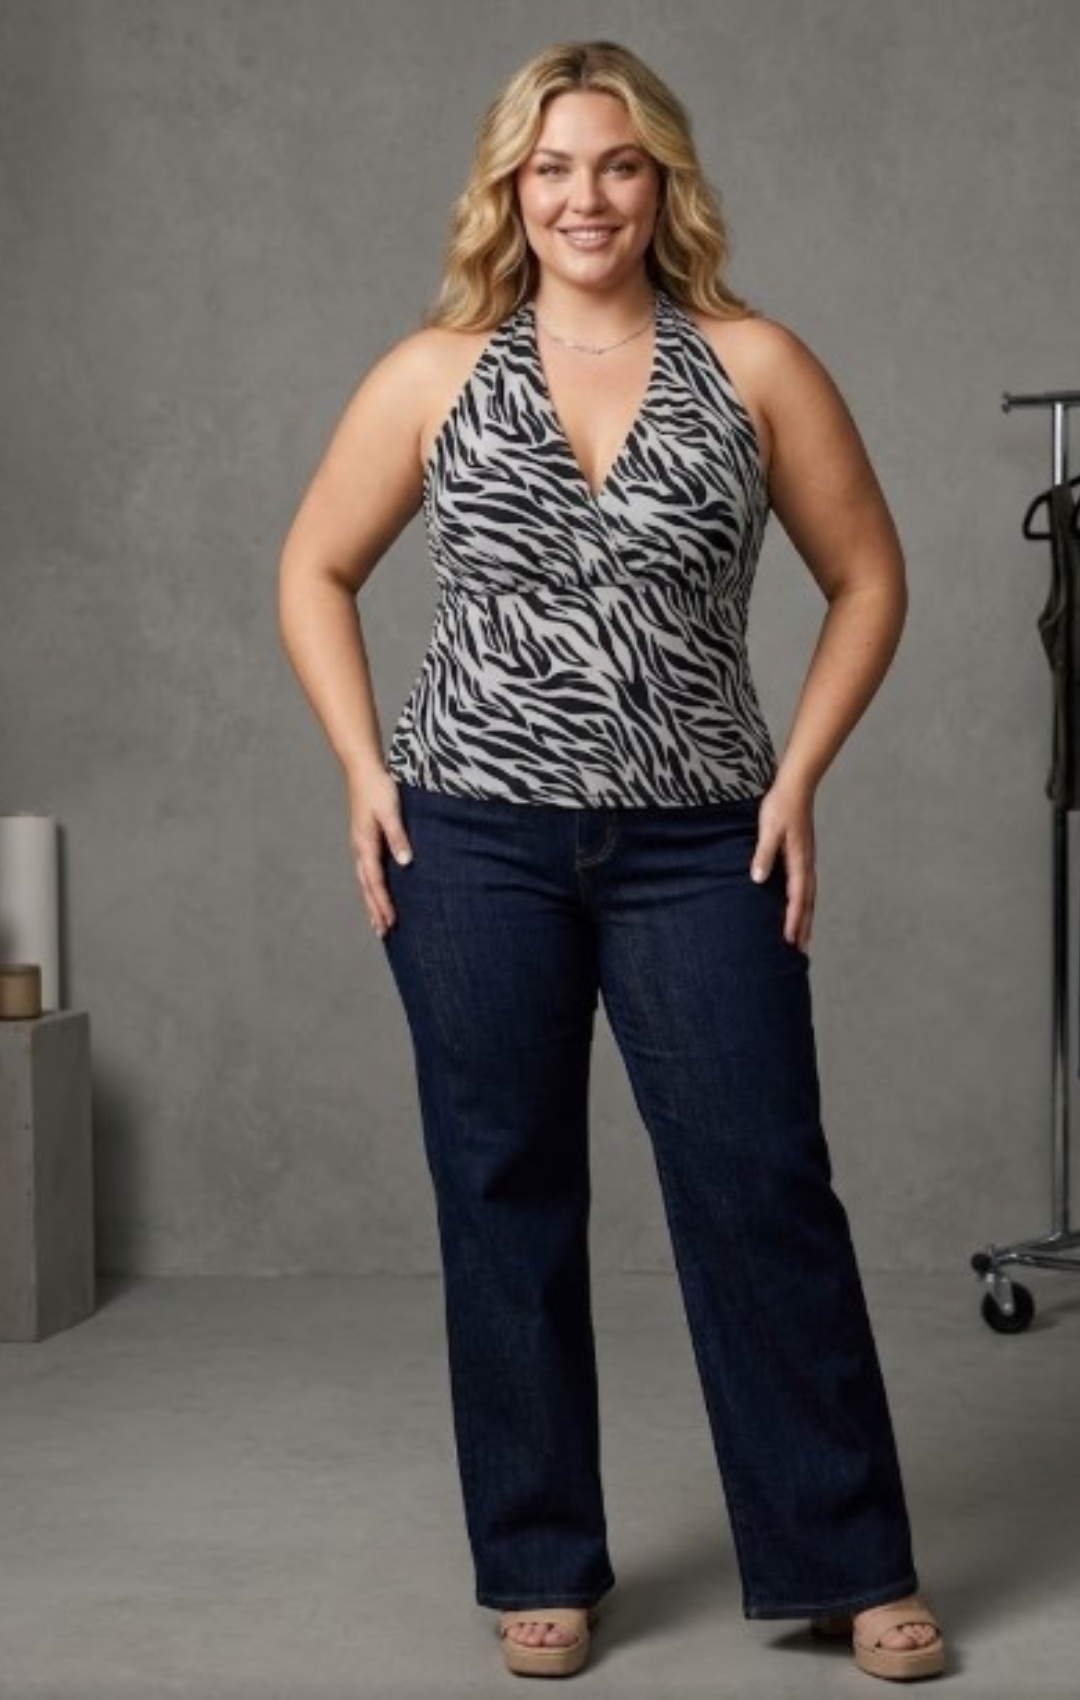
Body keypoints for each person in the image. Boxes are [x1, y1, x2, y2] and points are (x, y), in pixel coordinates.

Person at [279, 39, 945, 1684]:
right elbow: (314, 567)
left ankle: (845, 1562)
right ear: (512, 187)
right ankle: (539, 1560)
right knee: (503, 1190)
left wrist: (798, 778)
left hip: (700, 837)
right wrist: (364, 769)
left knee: (762, 1186)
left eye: (621, 164)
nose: (588, 197)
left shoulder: (755, 363)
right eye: (555, 167)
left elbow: (869, 578)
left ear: (665, 183)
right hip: (471, 840)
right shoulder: (436, 372)